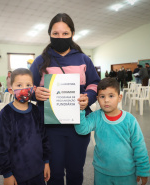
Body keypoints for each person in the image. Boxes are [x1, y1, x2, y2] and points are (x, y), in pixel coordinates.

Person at [30, 13, 100, 185]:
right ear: (49, 34)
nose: (60, 37)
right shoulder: (40, 61)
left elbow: (94, 83)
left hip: (78, 125)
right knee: (54, 173)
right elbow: (26, 86)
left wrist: (88, 98)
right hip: (50, 127)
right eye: (55, 33)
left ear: (72, 34)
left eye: (65, 33)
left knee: (76, 171)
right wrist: (35, 93)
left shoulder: (83, 59)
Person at [75, 78, 150, 185]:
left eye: (111, 96)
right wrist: (80, 111)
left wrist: (143, 170)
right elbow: (82, 130)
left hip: (126, 174)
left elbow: (139, 146)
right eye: (102, 96)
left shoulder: (130, 120)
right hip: (101, 173)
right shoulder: (96, 117)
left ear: (119, 97)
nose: (106, 100)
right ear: (97, 99)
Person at [0, 68, 50, 185]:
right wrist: (7, 173)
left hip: (38, 172)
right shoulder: (5, 115)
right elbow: (1, 148)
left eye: (28, 85)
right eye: (19, 85)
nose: (24, 89)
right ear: (10, 90)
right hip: (17, 175)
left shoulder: (36, 111)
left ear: (33, 89)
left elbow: (44, 138)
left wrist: (46, 162)